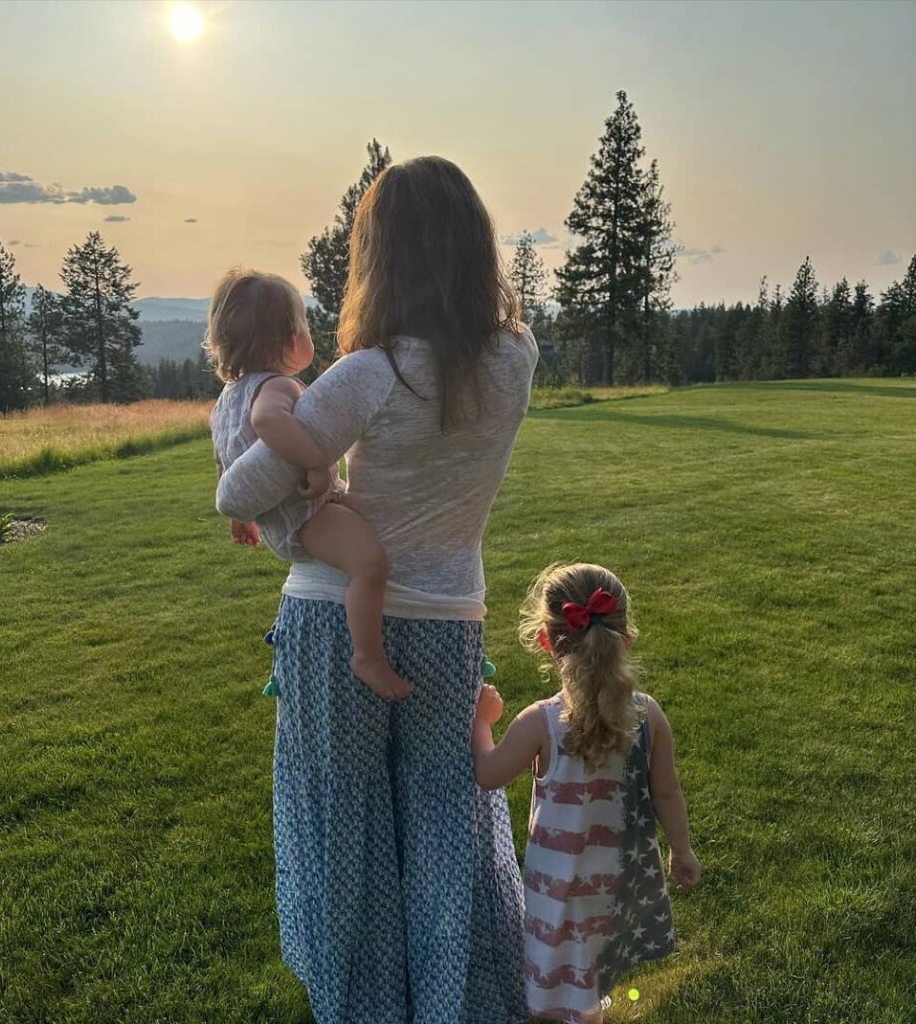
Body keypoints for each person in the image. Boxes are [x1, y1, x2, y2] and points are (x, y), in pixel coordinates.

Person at [215, 156, 538, 1023]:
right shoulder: (517, 359)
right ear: (475, 246)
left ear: (378, 258)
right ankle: (457, 1003)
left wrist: (300, 477)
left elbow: (237, 492)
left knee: (342, 825)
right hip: (447, 618)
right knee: (446, 817)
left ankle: (361, 1005)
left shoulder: (370, 372)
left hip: (332, 618)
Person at [472, 562, 702, 1024]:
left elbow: (489, 774)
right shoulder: (647, 715)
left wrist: (482, 721)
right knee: (588, 972)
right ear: (626, 639)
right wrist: (682, 850)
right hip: (612, 883)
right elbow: (668, 793)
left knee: (549, 981)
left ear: (546, 641)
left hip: (556, 889)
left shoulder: (540, 722)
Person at [207, 269, 411, 700]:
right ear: (286, 339)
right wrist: (317, 464)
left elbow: (225, 460)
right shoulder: (276, 385)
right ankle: (367, 656)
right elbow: (268, 421)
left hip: (280, 519)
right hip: (307, 515)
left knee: (370, 531)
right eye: (302, 323)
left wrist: (240, 518)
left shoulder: (225, 401)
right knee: (371, 565)